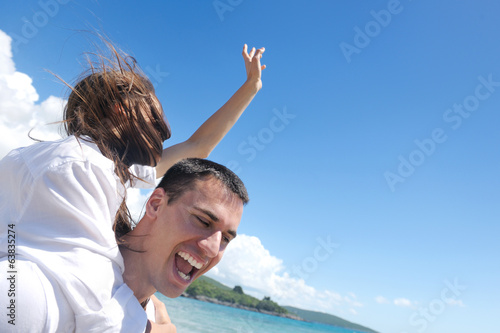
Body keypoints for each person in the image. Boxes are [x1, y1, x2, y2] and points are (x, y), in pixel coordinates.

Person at [0, 39, 264, 333]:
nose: (166, 130)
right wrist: (156, 328)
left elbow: (197, 147)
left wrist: (251, 87)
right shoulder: (83, 166)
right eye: (156, 116)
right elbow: (95, 302)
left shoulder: (108, 168)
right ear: (120, 111)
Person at [117, 158, 249, 329]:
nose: (212, 249)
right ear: (156, 204)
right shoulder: (85, 267)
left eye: (225, 238)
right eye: (203, 221)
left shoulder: (152, 315)